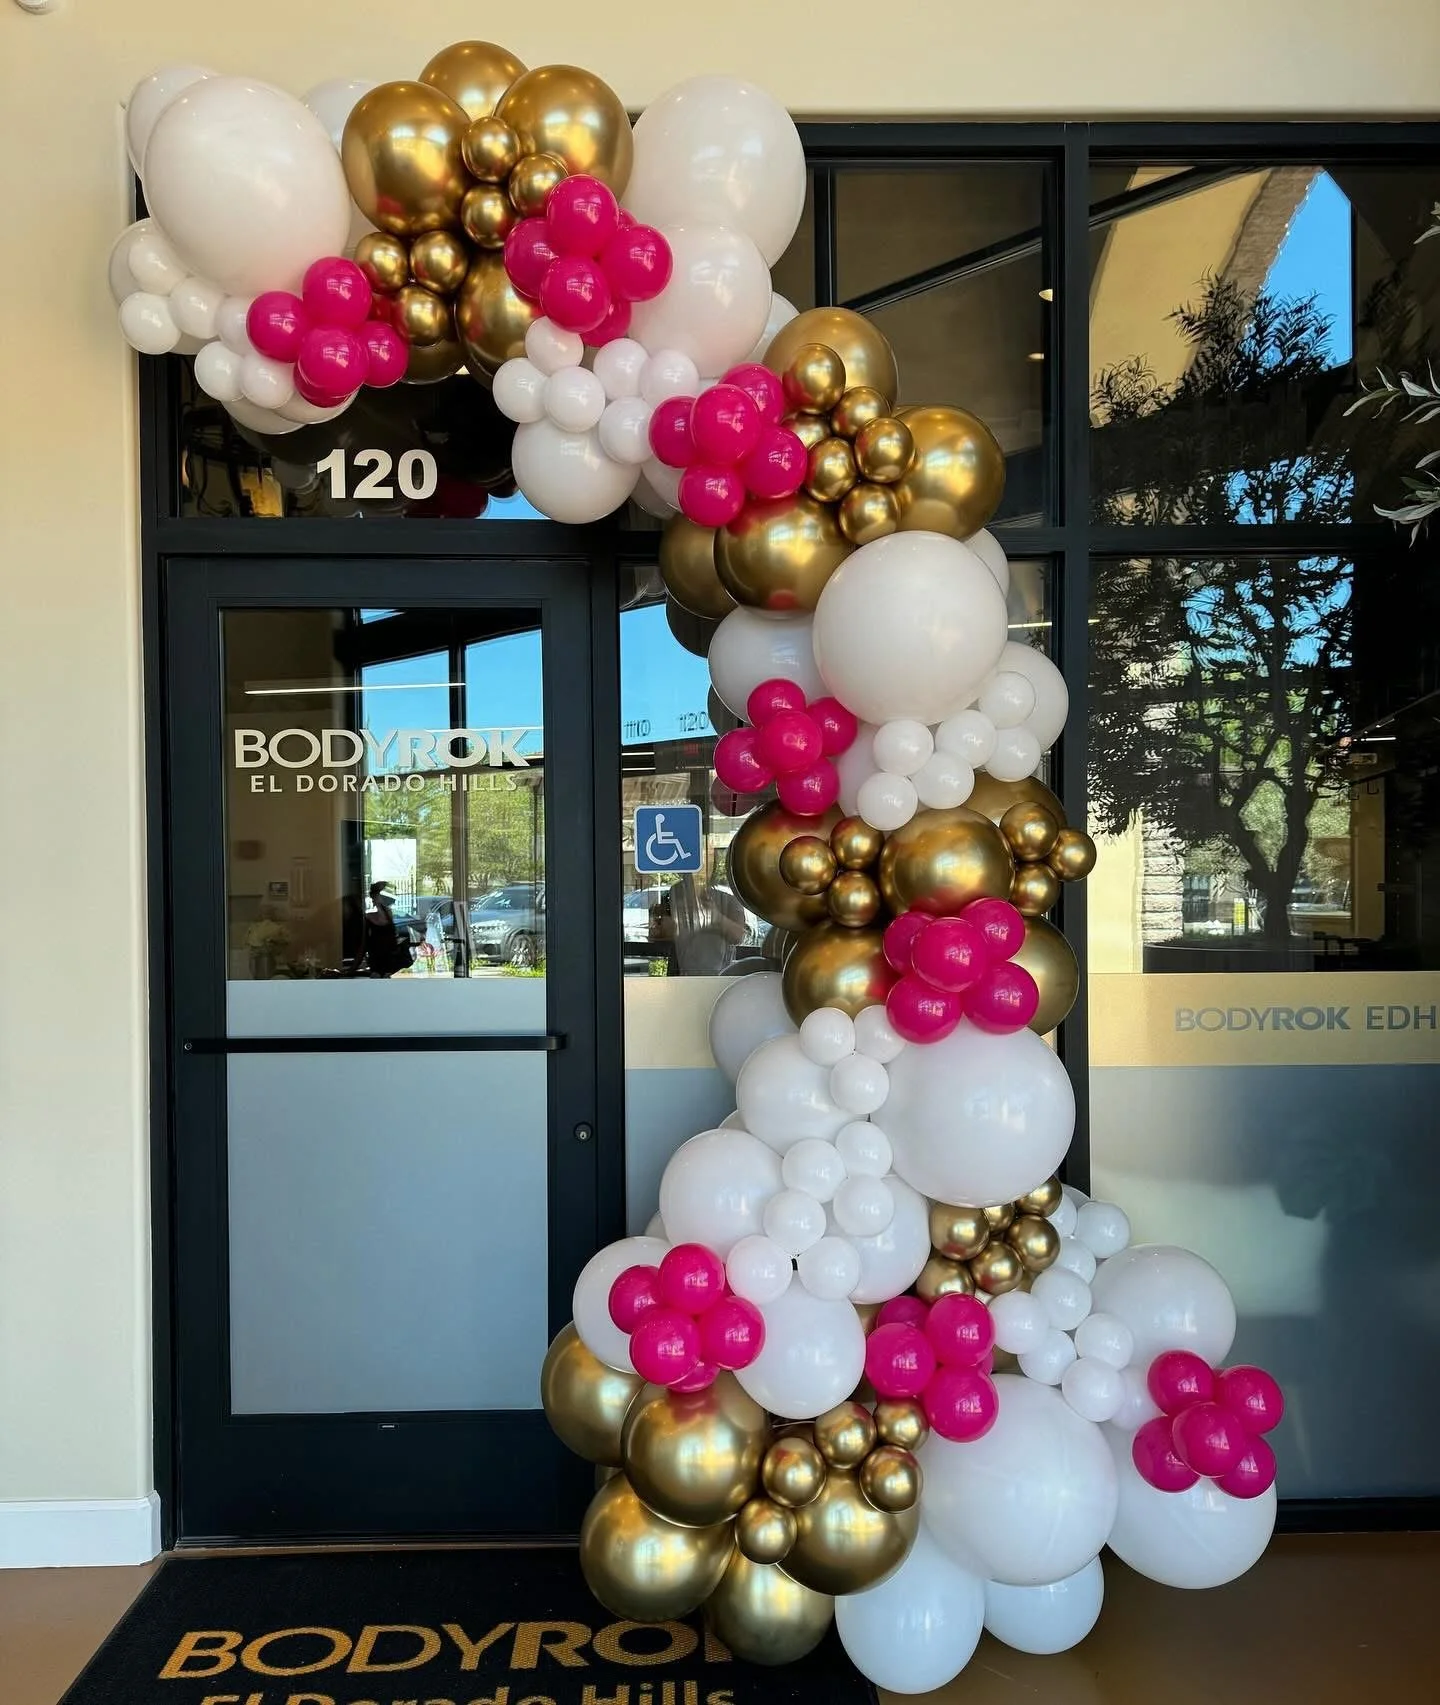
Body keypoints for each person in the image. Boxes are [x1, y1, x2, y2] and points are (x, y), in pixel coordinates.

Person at [360, 881, 413, 978]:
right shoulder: (369, 916)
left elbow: (391, 936)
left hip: (390, 961)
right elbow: (364, 942)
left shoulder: (387, 913)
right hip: (376, 962)